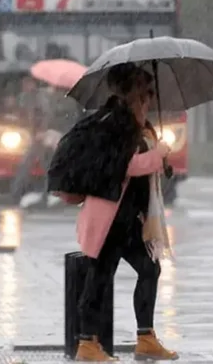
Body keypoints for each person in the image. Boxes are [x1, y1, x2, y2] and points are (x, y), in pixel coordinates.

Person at [47, 64, 178, 361]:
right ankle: (87, 344)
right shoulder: (115, 123)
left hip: (128, 217)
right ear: (133, 93)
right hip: (109, 216)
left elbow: (141, 164)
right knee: (100, 277)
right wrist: (156, 156)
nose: (150, 100)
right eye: (146, 93)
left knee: (148, 269)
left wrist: (161, 156)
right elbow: (127, 166)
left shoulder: (136, 123)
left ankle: (145, 338)